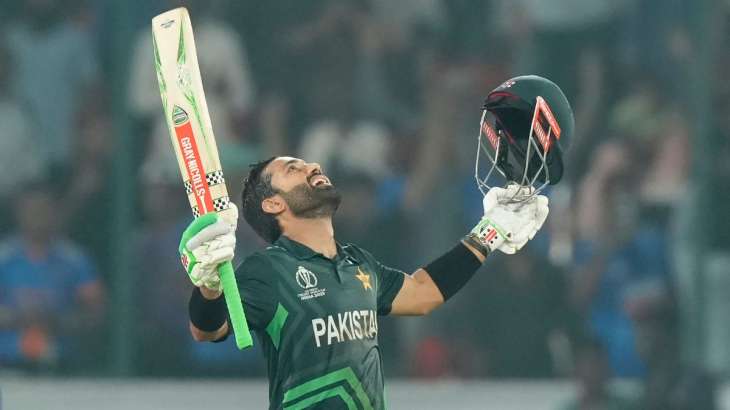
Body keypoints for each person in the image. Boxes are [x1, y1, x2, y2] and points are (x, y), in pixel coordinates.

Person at [178, 75, 570, 409]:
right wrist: (209, 285)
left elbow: (421, 294)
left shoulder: (358, 264)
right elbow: (210, 330)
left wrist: (490, 231)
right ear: (273, 203)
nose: (313, 166)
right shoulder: (269, 270)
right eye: (294, 169)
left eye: (308, 162)